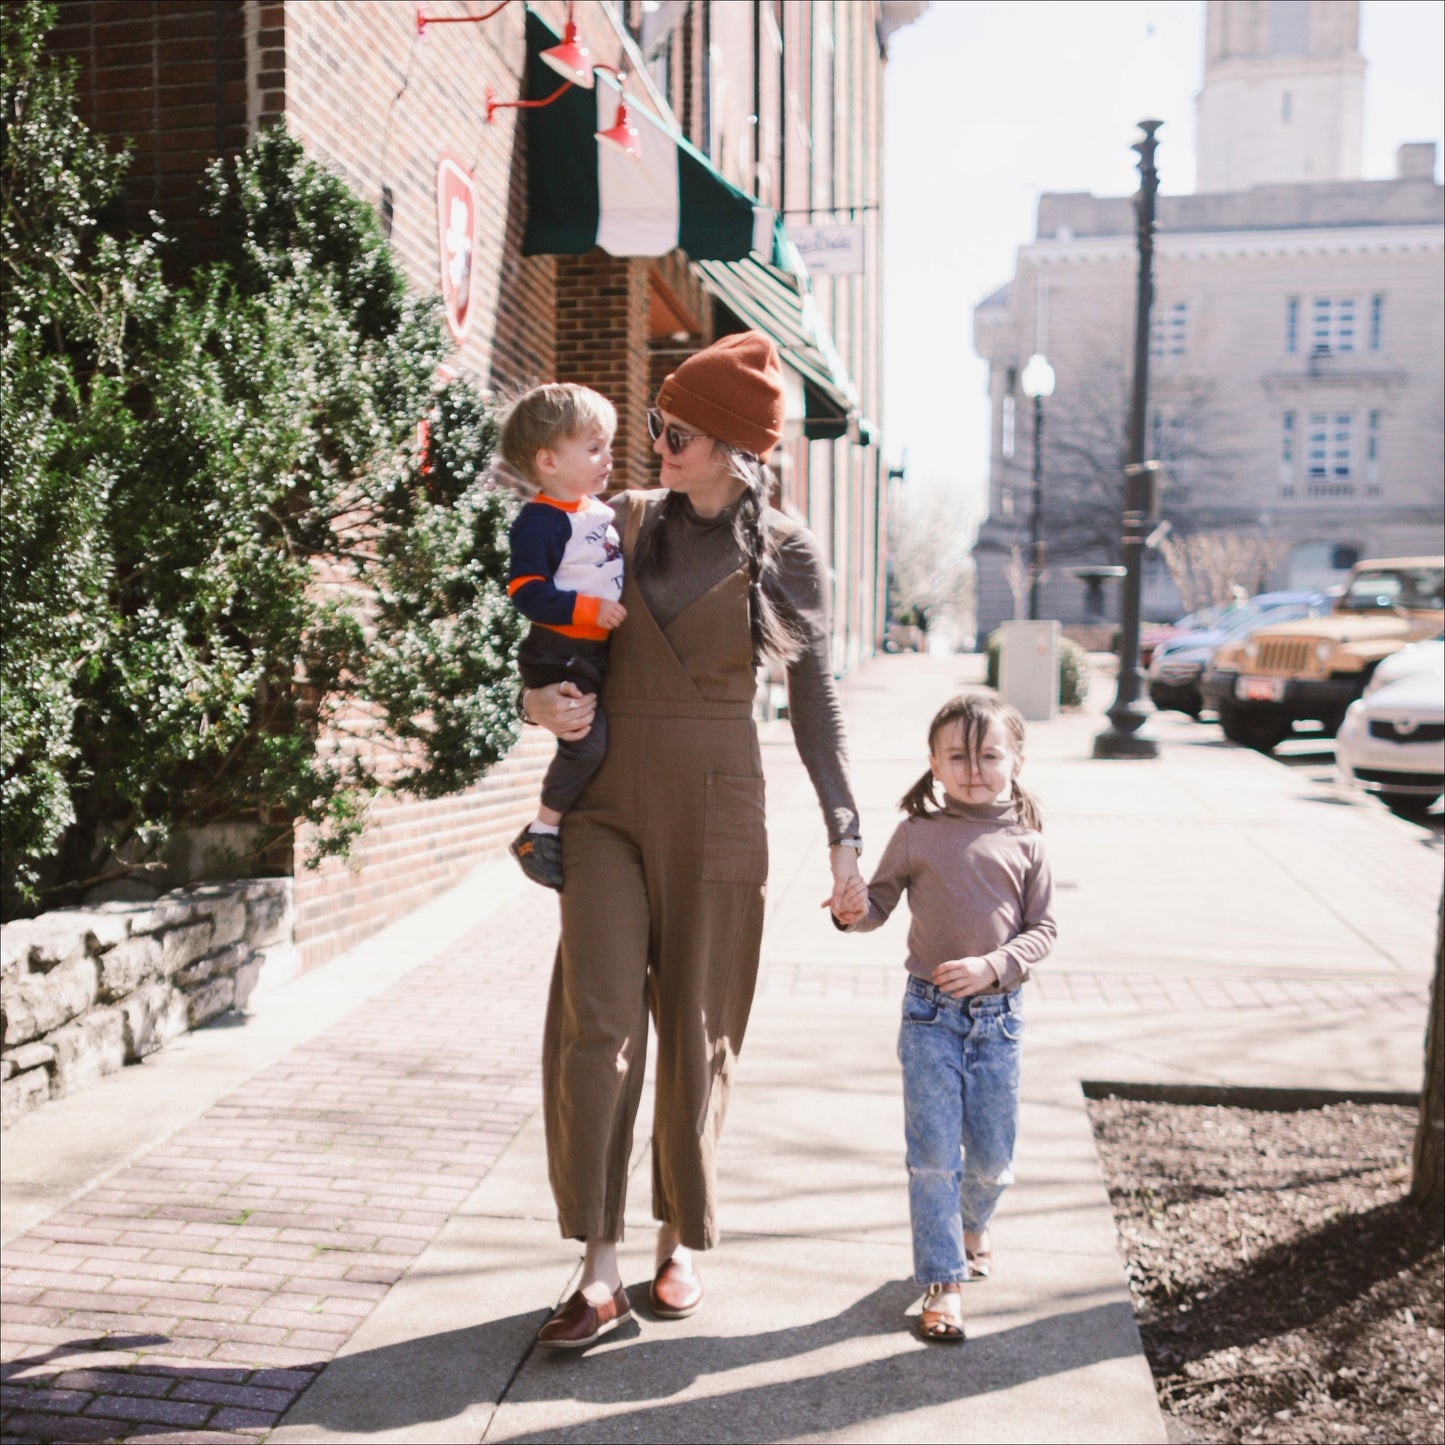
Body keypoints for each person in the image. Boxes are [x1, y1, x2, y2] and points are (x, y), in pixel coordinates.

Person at [517, 331, 863, 1348]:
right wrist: (539, 700)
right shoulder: (614, 521)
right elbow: (552, 645)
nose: (656, 440)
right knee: (596, 1026)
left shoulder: (787, 551)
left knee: (699, 1032)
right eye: (659, 423)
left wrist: (844, 836)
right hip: (608, 804)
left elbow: (815, 704)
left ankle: (676, 1237)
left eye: (678, 429)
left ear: (732, 447)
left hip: (720, 802)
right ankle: (595, 1264)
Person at [832, 693, 1056, 1343]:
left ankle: (972, 1223)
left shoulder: (1027, 842)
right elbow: (874, 905)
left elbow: (1043, 928)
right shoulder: (915, 833)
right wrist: (851, 910)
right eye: (956, 755)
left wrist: (995, 965)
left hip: (998, 1021)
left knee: (991, 1161)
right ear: (932, 762)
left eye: (988, 754)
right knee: (932, 1157)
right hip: (928, 1016)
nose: (972, 768)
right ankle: (942, 1279)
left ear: (1014, 759)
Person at [501, 384, 626, 890]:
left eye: (607, 446)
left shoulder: (595, 510)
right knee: (585, 744)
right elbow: (525, 592)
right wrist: (587, 609)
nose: (608, 458)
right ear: (548, 461)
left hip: (590, 648)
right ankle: (540, 832)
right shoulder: (540, 521)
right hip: (559, 653)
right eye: (593, 448)